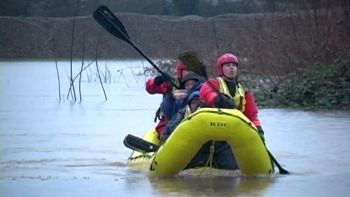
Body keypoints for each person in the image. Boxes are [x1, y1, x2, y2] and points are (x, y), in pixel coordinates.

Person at [199, 53, 265, 141]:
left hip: (234, 129)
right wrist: (219, 99)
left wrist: (258, 130)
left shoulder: (244, 92)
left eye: (234, 65)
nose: (232, 68)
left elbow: (252, 115)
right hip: (214, 126)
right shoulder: (213, 83)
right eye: (227, 65)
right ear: (221, 69)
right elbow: (206, 94)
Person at [145, 60, 201, 140]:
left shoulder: (200, 84)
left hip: (192, 120)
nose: (190, 73)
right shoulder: (170, 84)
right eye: (187, 70)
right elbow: (150, 89)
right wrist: (157, 81)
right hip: (169, 121)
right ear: (180, 72)